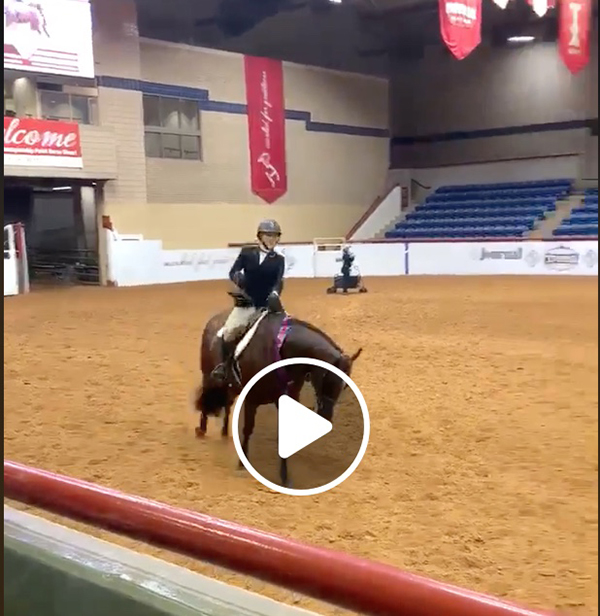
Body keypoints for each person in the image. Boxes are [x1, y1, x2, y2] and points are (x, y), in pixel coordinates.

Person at [210, 219, 285, 385]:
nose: (272, 239)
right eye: (268, 235)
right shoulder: (247, 253)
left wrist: (275, 293)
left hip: (268, 304)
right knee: (229, 331)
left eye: (275, 236)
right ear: (260, 236)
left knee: (285, 333)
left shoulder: (279, 260)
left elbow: (279, 281)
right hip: (248, 304)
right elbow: (233, 271)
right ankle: (225, 366)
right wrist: (239, 279)